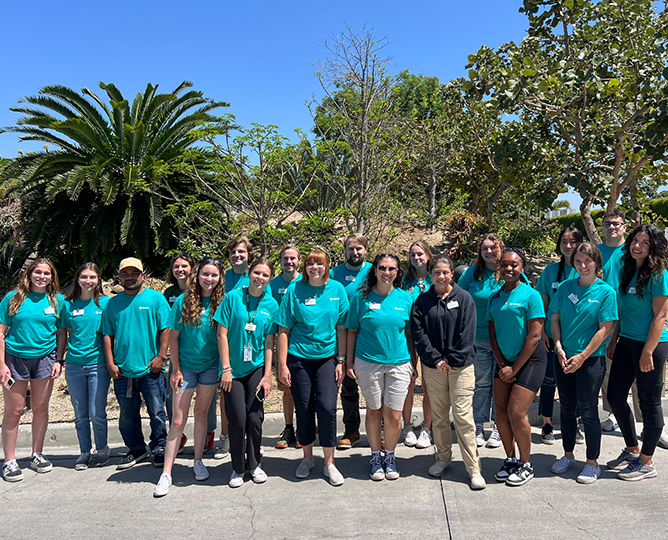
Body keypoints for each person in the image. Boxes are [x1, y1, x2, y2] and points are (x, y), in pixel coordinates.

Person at [411, 254, 485, 490]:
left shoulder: (464, 298)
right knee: (440, 417)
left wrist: (451, 359)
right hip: (434, 369)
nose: (441, 276)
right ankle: (443, 459)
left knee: (463, 417)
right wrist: (435, 359)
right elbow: (419, 334)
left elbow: (468, 332)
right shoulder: (422, 302)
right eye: (436, 272)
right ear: (430, 275)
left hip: (461, 368)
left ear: (452, 273)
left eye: (445, 272)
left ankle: (473, 469)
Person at [277, 250, 349, 486]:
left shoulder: (337, 290)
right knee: (304, 407)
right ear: (304, 267)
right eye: (310, 263)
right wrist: (282, 365)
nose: (314, 267)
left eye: (319, 263)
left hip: (328, 358)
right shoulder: (294, 290)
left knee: (327, 407)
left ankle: (329, 463)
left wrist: (341, 360)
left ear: (327, 266)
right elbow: (284, 331)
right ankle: (307, 458)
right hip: (299, 358)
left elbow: (341, 328)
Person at [154, 257, 225, 497]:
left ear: (219, 278)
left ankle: (197, 461)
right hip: (185, 369)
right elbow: (173, 337)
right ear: (198, 275)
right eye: (205, 274)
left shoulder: (221, 302)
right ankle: (166, 472)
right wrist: (175, 368)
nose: (209, 279)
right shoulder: (183, 301)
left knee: (202, 415)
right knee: (176, 421)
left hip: (209, 368)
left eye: (214, 275)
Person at [550, 244, 617, 483]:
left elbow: (605, 329)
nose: (582, 265)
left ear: (596, 262)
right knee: (567, 408)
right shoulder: (565, 287)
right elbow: (554, 319)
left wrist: (582, 356)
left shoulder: (606, 292)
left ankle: (591, 462)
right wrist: (559, 347)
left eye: (587, 260)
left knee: (588, 410)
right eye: (578, 261)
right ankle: (568, 455)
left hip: (590, 360)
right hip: (564, 357)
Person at [606, 224, 668, 481]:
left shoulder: (660, 274)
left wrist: (648, 352)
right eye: (635, 240)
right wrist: (614, 339)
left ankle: (646, 461)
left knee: (649, 403)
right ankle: (632, 449)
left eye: (644, 242)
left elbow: (661, 316)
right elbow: (622, 310)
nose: (637, 245)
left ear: (653, 246)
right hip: (626, 341)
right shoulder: (628, 269)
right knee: (614, 396)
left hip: (651, 346)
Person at [346, 254, 414, 480]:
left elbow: (409, 334)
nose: (387, 272)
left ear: (398, 272)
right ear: (374, 270)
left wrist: (413, 363)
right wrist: (348, 362)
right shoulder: (360, 298)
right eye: (382, 268)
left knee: (394, 415)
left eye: (392, 268)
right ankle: (375, 456)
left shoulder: (405, 298)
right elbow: (351, 331)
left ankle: (390, 456)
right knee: (374, 411)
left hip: (399, 364)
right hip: (368, 362)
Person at [214, 257, 279, 488]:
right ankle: (237, 468)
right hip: (232, 370)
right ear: (249, 273)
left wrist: (267, 375)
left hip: (256, 367)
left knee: (254, 418)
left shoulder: (271, 305)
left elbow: (269, 341)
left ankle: (254, 464)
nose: (260, 278)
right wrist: (226, 368)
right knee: (238, 420)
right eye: (256, 273)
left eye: (265, 275)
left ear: (269, 279)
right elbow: (221, 334)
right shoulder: (232, 297)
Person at [0, 259, 66, 482]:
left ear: (52, 277)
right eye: (38, 272)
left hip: (45, 359)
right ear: (29, 274)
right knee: (14, 411)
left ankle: (37, 454)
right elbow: (0, 332)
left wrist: (59, 360)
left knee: (40, 408)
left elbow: (61, 333)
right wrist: (1, 364)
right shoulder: (13, 298)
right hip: (15, 359)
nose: (42, 276)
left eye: (47, 273)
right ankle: (10, 461)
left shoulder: (57, 300)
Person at [102, 257, 171, 469]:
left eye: (134, 273)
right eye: (125, 274)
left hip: (151, 370)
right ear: (119, 277)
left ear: (143, 275)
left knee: (157, 412)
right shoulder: (112, 304)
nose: (129, 277)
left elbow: (166, 329)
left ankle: (160, 446)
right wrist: (110, 363)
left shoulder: (156, 299)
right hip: (124, 371)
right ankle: (137, 449)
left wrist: (161, 356)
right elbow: (107, 335)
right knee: (127, 416)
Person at [488, 248, 546, 487]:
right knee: (500, 413)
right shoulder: (495, 296)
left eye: (514, 265)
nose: (509, 269)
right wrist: (503, 364)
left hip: (530, 360)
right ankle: (510, 459)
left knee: (515, 413)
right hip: (504, 362)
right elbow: (492, 333)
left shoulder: (531, 296)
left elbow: (534, 336)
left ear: (522, 268)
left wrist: (514, 369)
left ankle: (525, 463)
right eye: (505, 264)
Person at [60, 262, 111, 470]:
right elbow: (63, 331)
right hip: (73, 365)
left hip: (98, 364)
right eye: (84, 277)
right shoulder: (67, 305)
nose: (88, 281)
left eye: (92, 277)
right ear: (77, 279)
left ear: (99, 280)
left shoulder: (106, 304)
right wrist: (59, 358)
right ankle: (84, 451)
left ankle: (102, 448)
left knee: (96, 410)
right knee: (80, 411)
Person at [535, 227, 583, 444]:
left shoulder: (584, 270)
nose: (568, 245)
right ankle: (547, 423)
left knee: (575, 382)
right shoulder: (550, 271)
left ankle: (575, 422)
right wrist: (542, 332)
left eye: (573, 241)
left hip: (576, 337)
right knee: (548, 381)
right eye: (564, 241)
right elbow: (542, 303)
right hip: (551, 337)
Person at [163, 253, 214, 454]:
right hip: (181, 358)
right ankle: (179, 433)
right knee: (173, 400)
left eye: (184, 266)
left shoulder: (214, 295)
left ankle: (208, 433)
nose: (180, 270)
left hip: (207, 360)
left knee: (205, 404)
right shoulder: (170, 294)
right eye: (176, 266)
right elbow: (170, 330)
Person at [458, 233, 505, 449]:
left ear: (500, 249)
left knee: (501, 383)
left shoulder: (509, 270)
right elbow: (456, 297)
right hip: (478, 338)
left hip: (505, 340)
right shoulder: (472, 273)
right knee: (481, 383)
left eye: (493, 248)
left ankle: (498, 426)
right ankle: (478, 424)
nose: (488, 252)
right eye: (484, 248)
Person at [330, 233, 371, 450]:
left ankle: (380, 432)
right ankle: (351, 430)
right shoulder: (334, 273)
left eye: (359, 249)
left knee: (376, 388)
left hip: (368, 338)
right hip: (342, 337)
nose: (355, 253)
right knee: (348, 386)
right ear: (345, 250)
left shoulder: (375, 270)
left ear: (365, 249)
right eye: (351, 248)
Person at [400, 241, 434, 449]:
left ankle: (427, 428)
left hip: (431, 337)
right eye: (413, 255)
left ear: (428, 255)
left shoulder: (435, 277)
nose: (417, 258)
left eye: (420, 254)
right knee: (408, 383)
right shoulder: (404, 280)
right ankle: (407, 427)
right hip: (408, 336)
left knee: (429, 385)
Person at [597, 209, 627, 433]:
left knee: (638, 370)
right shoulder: (597, 252)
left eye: (616, 223)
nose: (612, 227)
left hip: (632, 316)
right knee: (608, 369)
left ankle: (643, 421)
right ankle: (613, 414)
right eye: (607, 224)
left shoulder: (632, 251)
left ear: (624, 226)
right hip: (606, 318)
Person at [271, 245, 302, 449]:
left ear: (299, 260)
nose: (289, 262)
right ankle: (289, 428)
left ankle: (304, 429)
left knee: (307, 391)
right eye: (285, 258)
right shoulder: (272, 285)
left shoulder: (306, 282)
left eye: (293, 258)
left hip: (305, 343)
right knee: (288, 388)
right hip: (281, 343)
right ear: (280, 260)